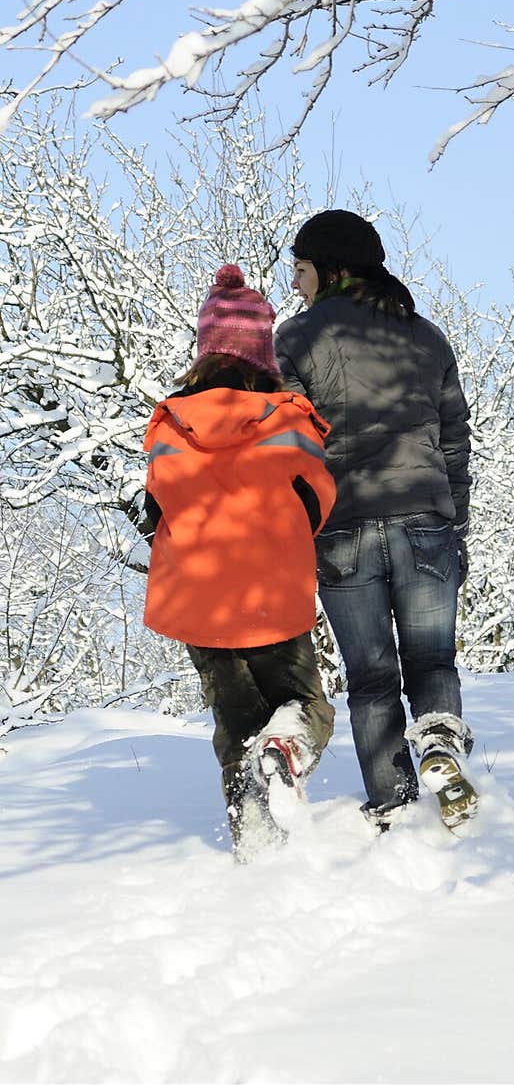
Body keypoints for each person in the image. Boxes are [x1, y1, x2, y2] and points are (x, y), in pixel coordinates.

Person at [274, 209, 478, 832]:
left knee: (370, 676)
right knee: (432, 661)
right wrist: (455, 523)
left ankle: (391, 803)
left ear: (333, 269)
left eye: (302, 271)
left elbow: (285, 445)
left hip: (342, 526)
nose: (296, 285)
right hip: (425, 519)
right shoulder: (425, 337)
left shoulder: (296, 339)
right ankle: (441, 745)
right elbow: (454, 441)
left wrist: (299, 527)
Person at [141, 264, 337, 861]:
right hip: (271, 594)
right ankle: (285, 754)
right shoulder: (287, 417)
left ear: (204, 348)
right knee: (307, 707)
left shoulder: (170, 423)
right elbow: (318, 499)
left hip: (199, 601)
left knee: (235, 719)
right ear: (262, 349)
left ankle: (255, 845)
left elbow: (155, 507)